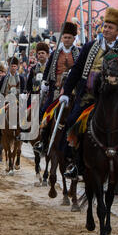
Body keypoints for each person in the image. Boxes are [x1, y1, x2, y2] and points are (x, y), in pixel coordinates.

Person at [59, 7, 118, 178]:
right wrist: (66, 91)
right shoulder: (89, 47)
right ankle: (76, 163)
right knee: (73, 120)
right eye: (105, 26)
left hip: (116, 97)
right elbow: (76, 70)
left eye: (110, 27)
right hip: (90, 96)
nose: (106, 29)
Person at [35, 22, 81, 154]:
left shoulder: (79, 52)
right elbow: (48, 70)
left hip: (74, 91)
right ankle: (43, 141)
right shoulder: (55, 54)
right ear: (61, 38)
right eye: (65, 37)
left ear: (74, 38)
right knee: (45, 112)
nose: (66, 40)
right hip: (56, 90)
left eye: (69, 37)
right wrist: (44, 82)